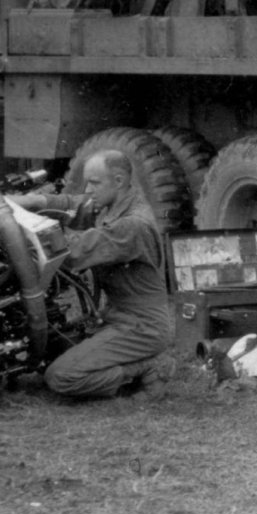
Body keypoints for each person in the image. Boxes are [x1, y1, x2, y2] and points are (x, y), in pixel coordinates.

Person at [18, 149, 171, 399]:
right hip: (117, 316)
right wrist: (37, 202)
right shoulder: (111, 205)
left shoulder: (133, 224)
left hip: (141, 326)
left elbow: (75, 252)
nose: (88, 188)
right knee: (57, 348)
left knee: (61, 376)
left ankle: (149, 367)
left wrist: (24, 229)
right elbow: (75, 205)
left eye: (94, 182)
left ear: (119, 181)